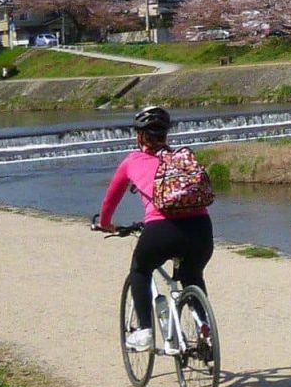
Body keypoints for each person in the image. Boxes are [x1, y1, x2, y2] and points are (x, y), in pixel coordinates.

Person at [92, 105, 215, 354]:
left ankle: (145, 332)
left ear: (139, 136)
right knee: (192, 275)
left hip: (162, 228)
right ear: (165, 135)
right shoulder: (181, 158)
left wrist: (105, 224)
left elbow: (110, 201)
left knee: (140, 268)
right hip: (201, 229)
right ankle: (205, 328)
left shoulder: (131, 161)